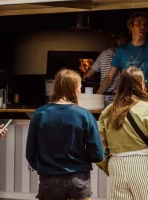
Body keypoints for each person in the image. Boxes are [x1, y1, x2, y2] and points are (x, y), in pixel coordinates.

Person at [26, 68, 104, 200]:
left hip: (49, 180)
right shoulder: (84, 115)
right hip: (78, 179)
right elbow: (97, 155)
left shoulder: (40, 114)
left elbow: (30, 153)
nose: (80, 90)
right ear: (74, 88)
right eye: (80, 87)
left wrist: (45, 167)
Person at [98, 67, 148, 200]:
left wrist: (108, 166)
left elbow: (99, 148)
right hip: (145, 165)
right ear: (141, 84)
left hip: (116, 166)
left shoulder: (107, 112)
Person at [97, 10, 148, 95]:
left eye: (145, 24)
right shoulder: (122, 51)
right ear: (130, 27)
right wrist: (96, 97)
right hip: (128, 98)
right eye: (138, 23)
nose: (142, 26)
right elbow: (109, 78)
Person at [85, 31, 128, 104]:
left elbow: (88, 75)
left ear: (118, 41)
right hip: (121, 98)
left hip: (104, 97)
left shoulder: (104, 53)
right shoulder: (127, 56)